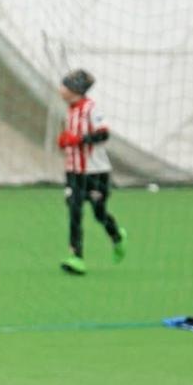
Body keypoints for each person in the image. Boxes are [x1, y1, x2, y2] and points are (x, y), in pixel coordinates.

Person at [56, 69, 125, 275]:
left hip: (96, 172)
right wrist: (65, 141)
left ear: (75, 89)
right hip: (74, 172)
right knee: (75, 212)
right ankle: (76, 257)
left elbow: (103, 133)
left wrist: (80, 140)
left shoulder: (91, 109)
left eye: (65, 85)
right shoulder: (69, 111)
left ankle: (117, 236)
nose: (61, 89)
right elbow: (71, 138)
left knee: (98, 212)